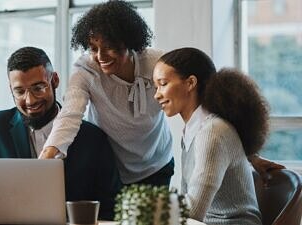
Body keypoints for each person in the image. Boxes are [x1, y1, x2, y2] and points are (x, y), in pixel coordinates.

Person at [0, 47, 120, 220]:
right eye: (20, 91)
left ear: (55, 80)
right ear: (10, 89)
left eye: (38, 88)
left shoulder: (92, 138)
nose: (30, 100)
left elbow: (112, 203)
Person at [40, 0, 174, 186]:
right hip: (112, 168)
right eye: (94, 49)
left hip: (157, 163)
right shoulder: (86, 71)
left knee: (153, 216)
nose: (100, 57)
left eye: (109, 47)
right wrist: (48, 154)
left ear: (128, 42)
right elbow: (70, 113)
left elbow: (185, 95)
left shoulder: (156, 63)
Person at [153, 47, 266, 224]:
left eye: (163, 84)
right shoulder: (195, 130)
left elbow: (193, 211)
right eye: (156, 86)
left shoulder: (212, 132)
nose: (157, 95)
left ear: (190, 83)